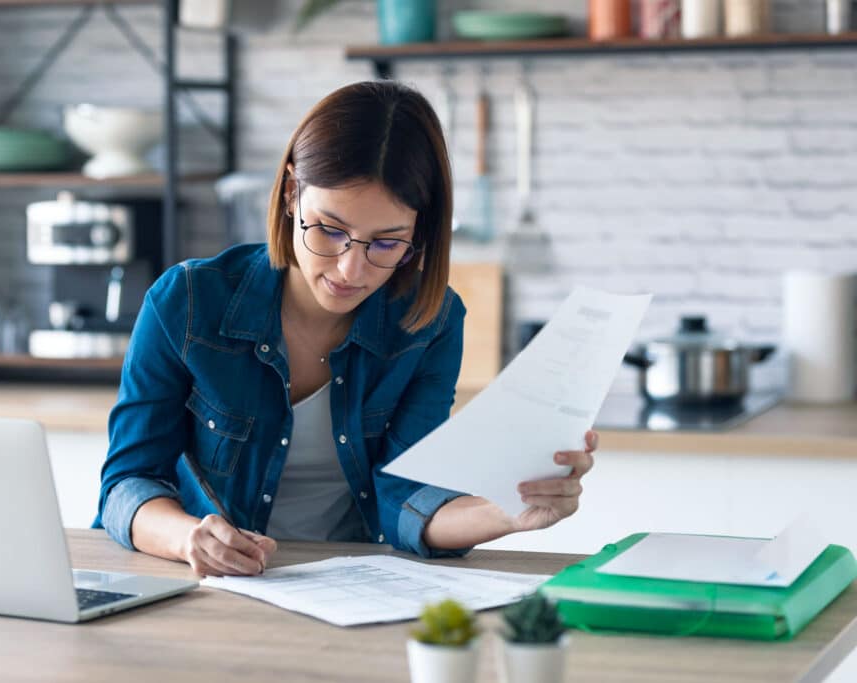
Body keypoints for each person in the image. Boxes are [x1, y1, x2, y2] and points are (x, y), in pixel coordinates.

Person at [94, 80, 597, 577]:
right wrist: (188, 539)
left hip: (347, 587)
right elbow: (128, 482)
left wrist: (508, 512)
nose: (350, 271)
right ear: (292, 193)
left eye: (386, 243)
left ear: (418, 233)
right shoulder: (186, 301)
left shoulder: (431, 322)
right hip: (198, 586)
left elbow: (405, 497)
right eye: (330, 231)